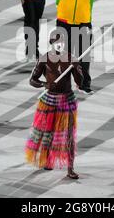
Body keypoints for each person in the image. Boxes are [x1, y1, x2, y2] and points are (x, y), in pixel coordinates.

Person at [25, 33, 84, 179]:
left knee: (69, 135)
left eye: (62, 42)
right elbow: (32, 80)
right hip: (49, 100)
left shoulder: (71, 58)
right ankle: (47, 160)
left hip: (67, 100)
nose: (60, 45)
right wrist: (45, 84)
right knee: (47, 133)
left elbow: (80, 82)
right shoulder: (44, 58)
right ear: (51, 43)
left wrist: (76, 68)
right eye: (57, 42)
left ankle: (70, 168)